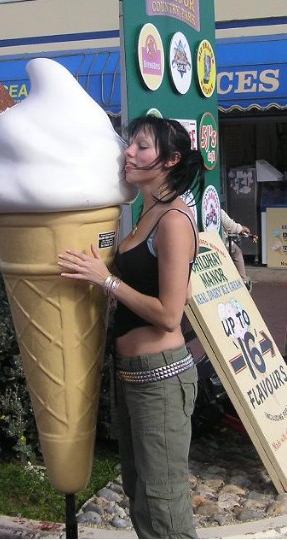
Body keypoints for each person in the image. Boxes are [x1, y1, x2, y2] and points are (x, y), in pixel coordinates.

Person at [58, 115, 206, 539]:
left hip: (161, 379)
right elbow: (173, 288)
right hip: (132, 376)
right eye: (131, 144)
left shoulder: (173, 220)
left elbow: (169, 314)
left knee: (163, 506)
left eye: (142, 147)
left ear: (170, 160)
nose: (129, 152)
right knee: (139, 490)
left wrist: (105, 280)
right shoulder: (148, 210)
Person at [220, 209, 257, 291]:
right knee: (237, 252)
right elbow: (230, 227)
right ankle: (243, 280)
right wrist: (241, 228)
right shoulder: (217, 210)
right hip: (220, 244)